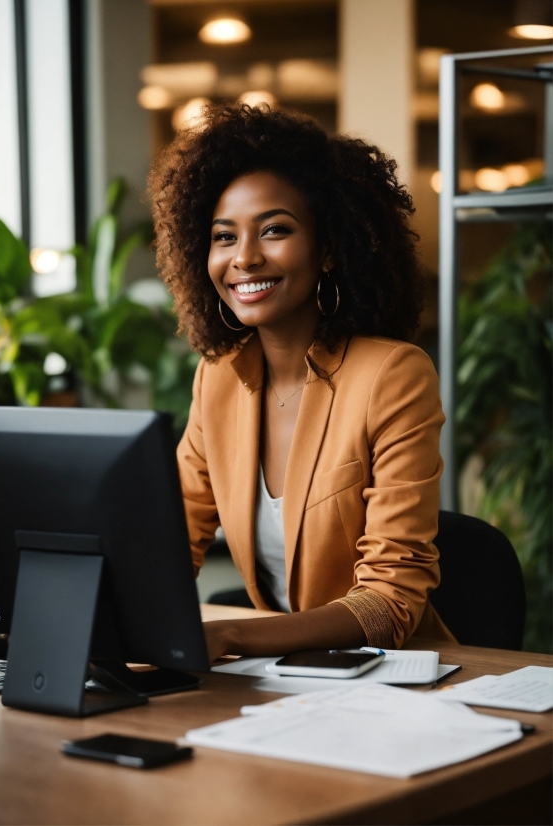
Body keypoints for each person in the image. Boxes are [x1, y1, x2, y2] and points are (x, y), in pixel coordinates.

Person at [149, 103, 454, 662]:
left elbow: (388, 603)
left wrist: (233, 635)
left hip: (392, 684)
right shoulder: (216, 381)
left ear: (330, 248)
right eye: (223, 237)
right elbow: (163, 547)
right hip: (279, 683)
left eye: (274, 230)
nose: (244, 258)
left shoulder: (393, 375)